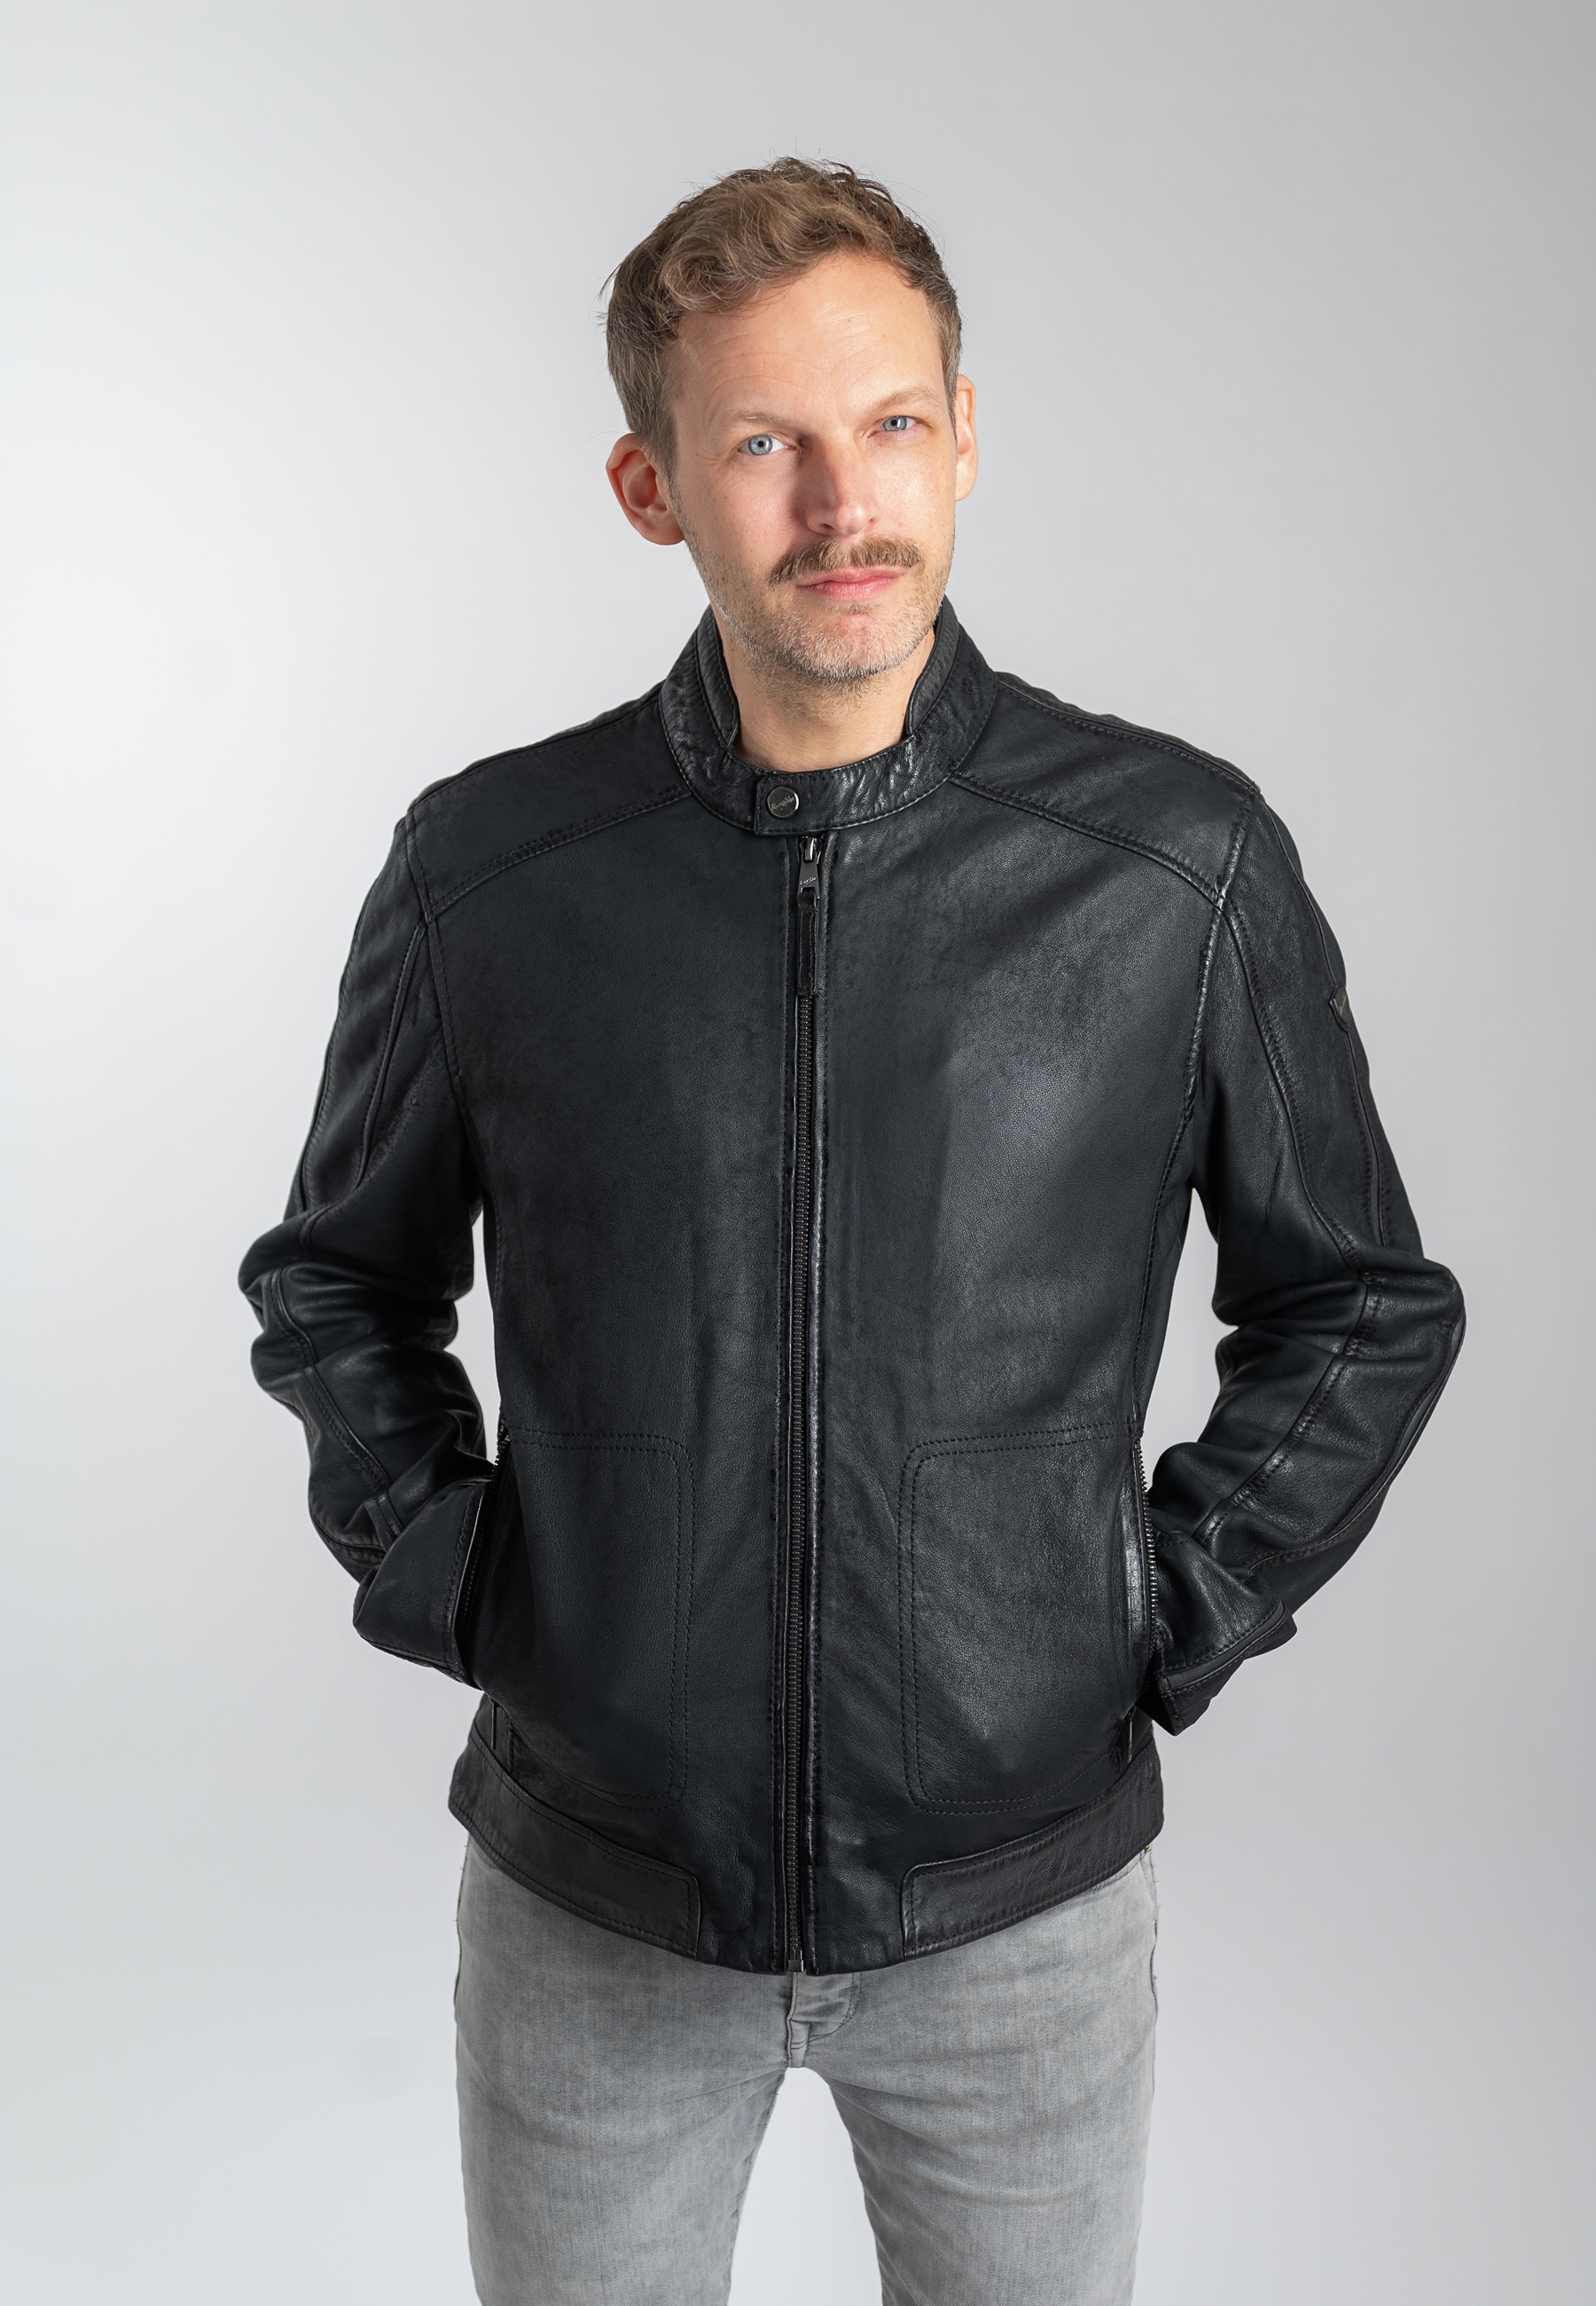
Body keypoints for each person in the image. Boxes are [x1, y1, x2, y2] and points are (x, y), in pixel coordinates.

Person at [240, 158, 1464, 2306]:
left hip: (1022, 1912)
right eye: (764, 445)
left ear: (966, 435)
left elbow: (1357, 1303)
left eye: (893, 422)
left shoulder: (1174, 868)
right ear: (651, 487)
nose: (843, 504)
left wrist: (1154, 1608)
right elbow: (339, 1278)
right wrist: (471, 1580)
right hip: (597, 1897)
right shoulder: (489, 876)